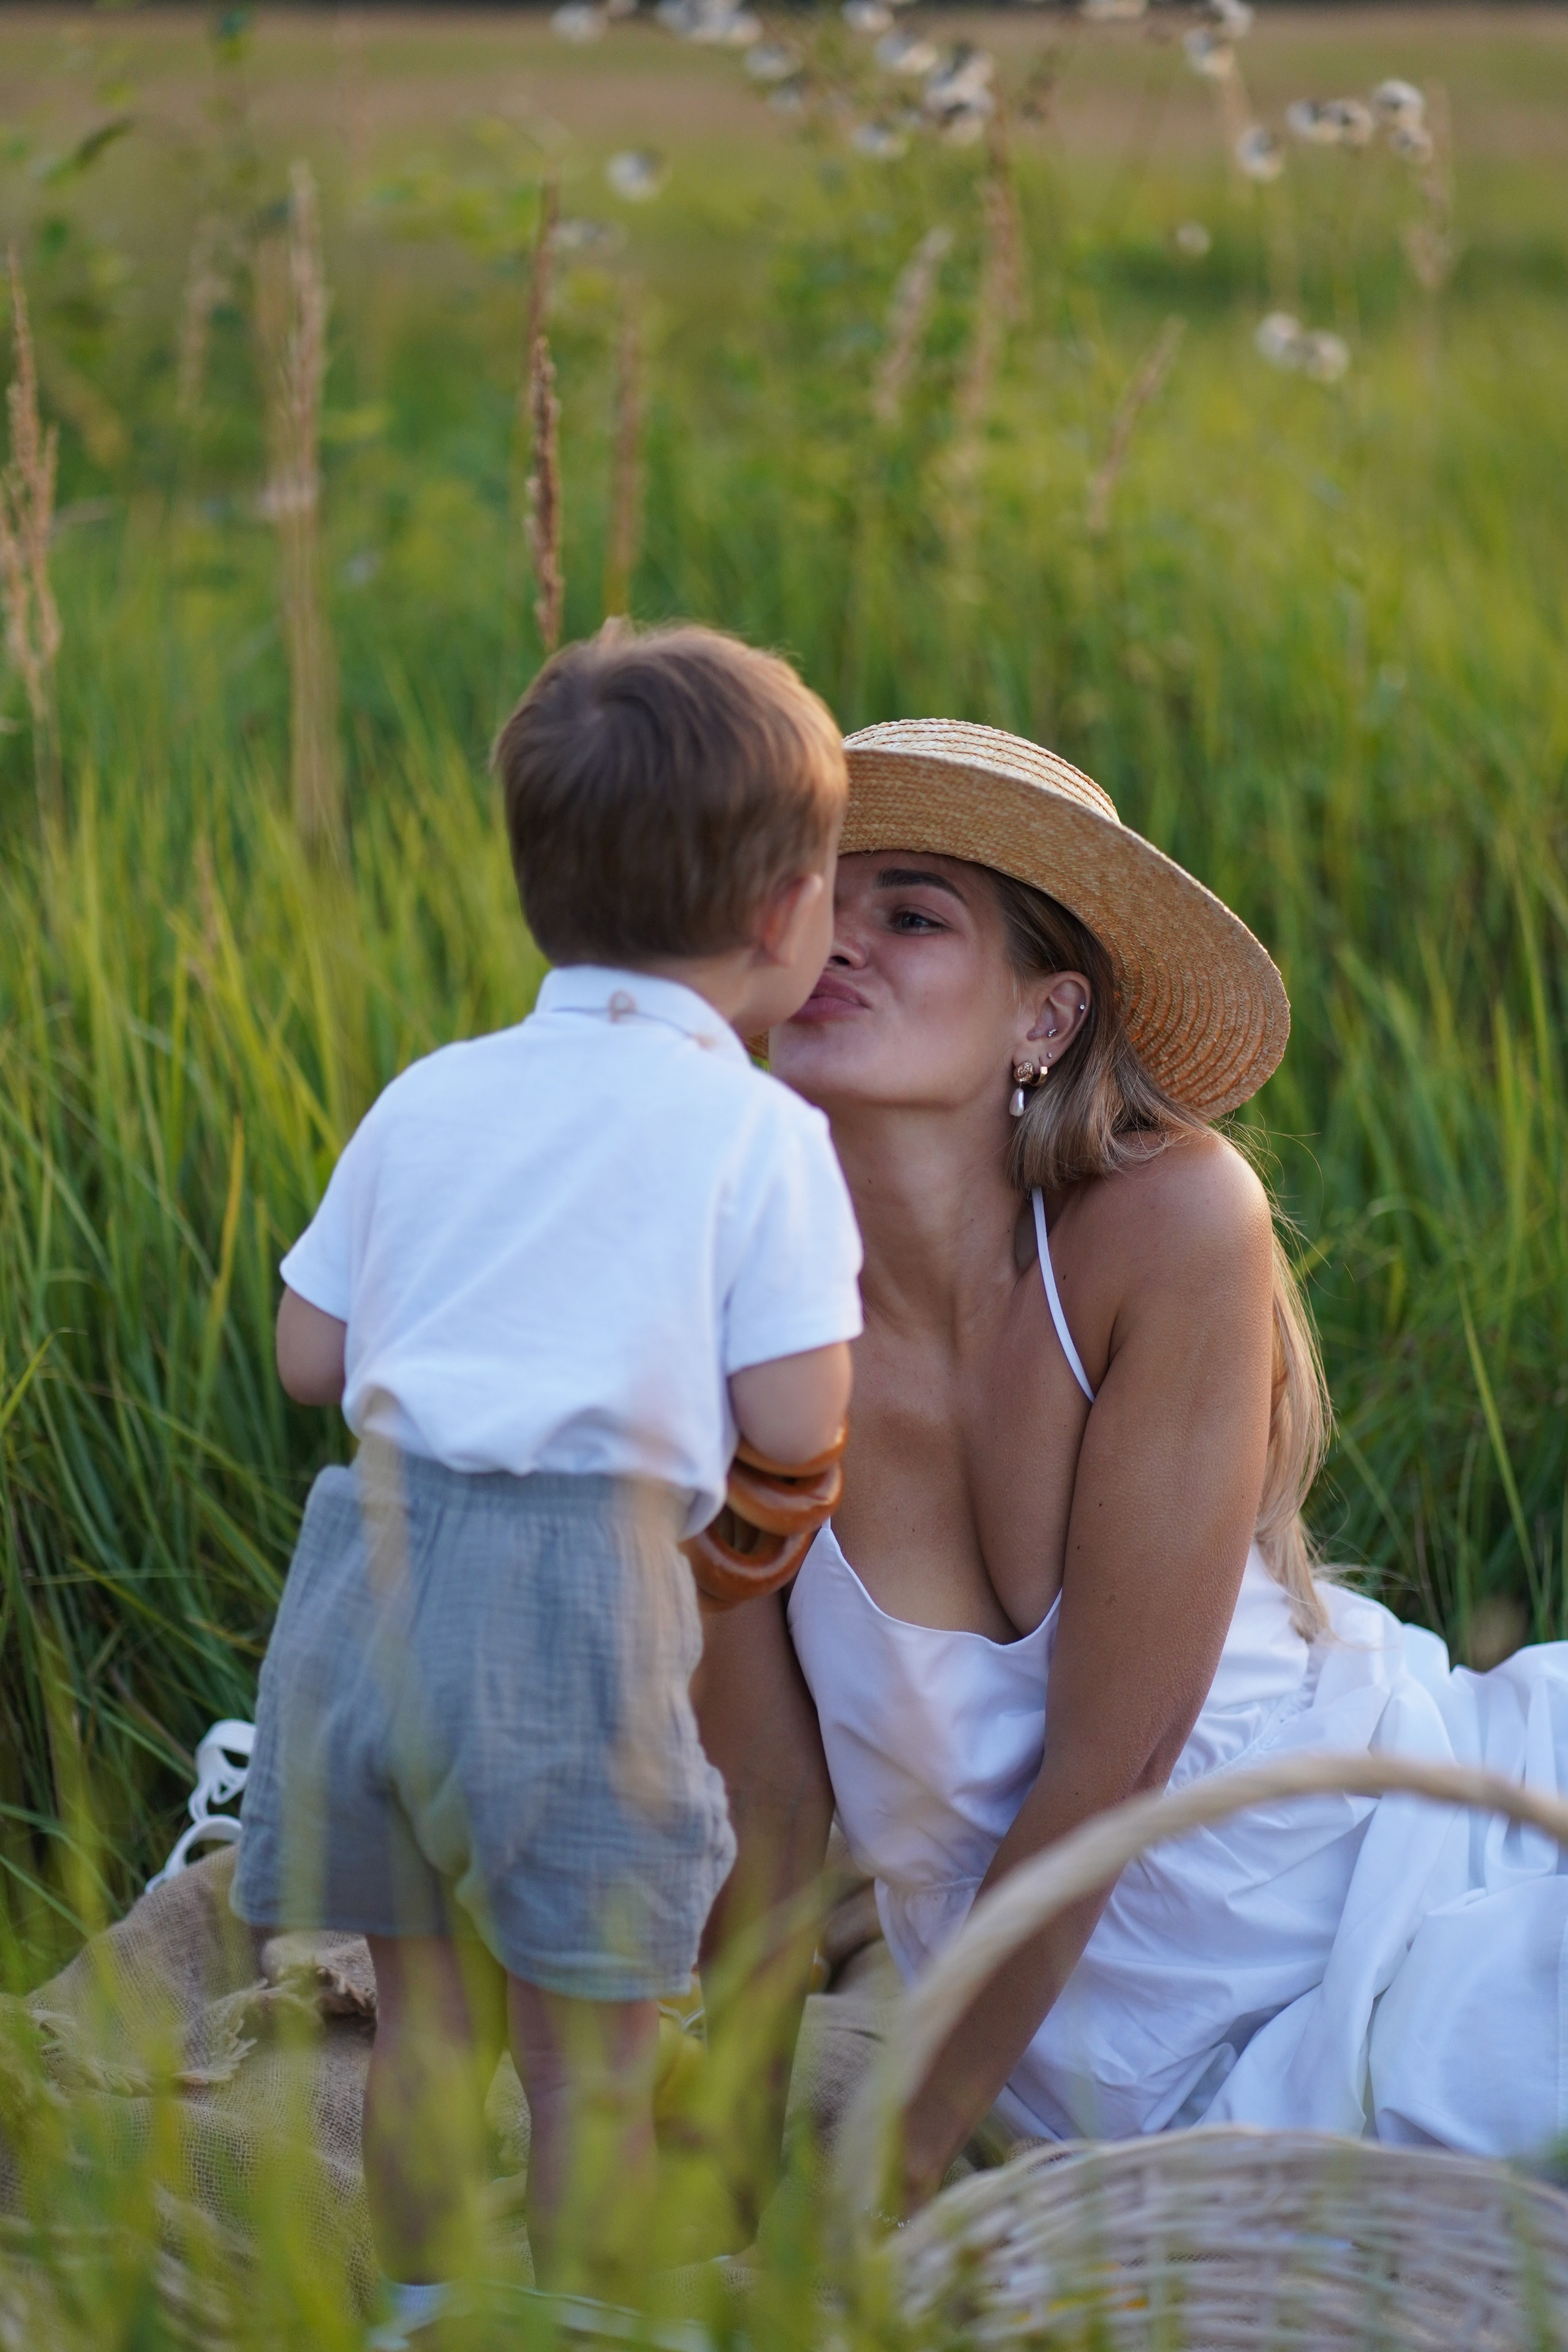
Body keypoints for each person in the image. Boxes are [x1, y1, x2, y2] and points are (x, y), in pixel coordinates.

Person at [695, 716, 1568, 2218]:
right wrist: (716, 2173)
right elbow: (768, 1813)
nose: (842, 940)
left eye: (910, 914)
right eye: (816, 903)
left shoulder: (1165, 1229)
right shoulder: (723, 1320)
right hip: (1092, 2064)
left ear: (1044, 1019)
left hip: (1383, 1860)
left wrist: (892, 2154)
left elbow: (1114, 1769)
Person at [231, 624, 863, 2334]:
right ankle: (595, 2316)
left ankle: (423, 2306)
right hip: (568, 1596)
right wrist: (760, 1512)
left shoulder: (435, 1093)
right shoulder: (759, 1136)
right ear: (778, 913)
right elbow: (799, 1401)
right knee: (589, 2057)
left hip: (365, 1575)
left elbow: (310, 1353)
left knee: (425, 2021)